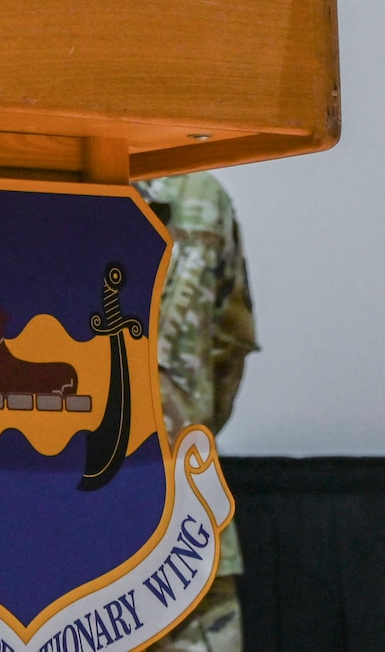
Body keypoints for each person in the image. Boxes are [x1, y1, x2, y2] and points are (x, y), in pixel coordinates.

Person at [137, 172, 259, 652]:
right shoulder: (201, 194)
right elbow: (231, 341)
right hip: (187, 519)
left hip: (67, 513)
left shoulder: (49, 179)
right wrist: (187, 426)